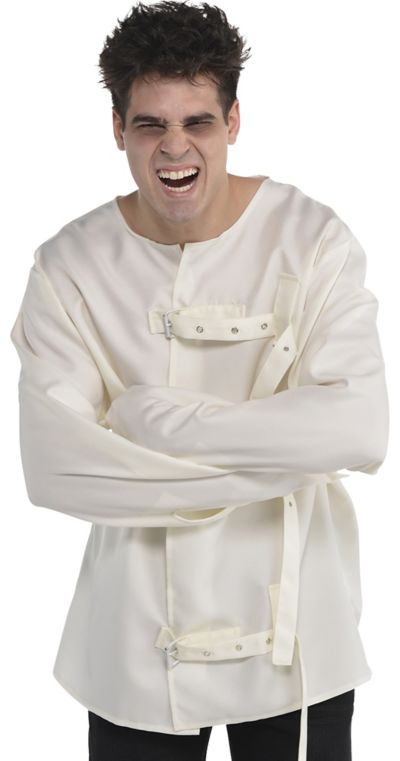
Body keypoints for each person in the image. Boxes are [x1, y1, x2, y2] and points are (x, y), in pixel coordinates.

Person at [9, 2, 389, 760]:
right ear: (117, 129)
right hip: (134, 642)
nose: (175, 147)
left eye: (198, 122)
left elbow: (359, 429)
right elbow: (54, 469)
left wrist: (154, 422)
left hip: (296, 639)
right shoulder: (68, 266)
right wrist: (283, 457)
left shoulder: (312, 239)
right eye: (150, 124)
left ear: (234, 121)